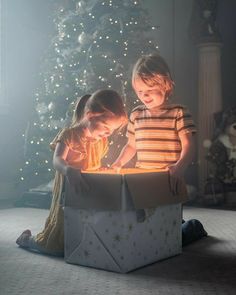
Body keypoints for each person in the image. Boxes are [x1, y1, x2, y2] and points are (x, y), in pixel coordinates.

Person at [16, 89, 127, 256]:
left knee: (84, 230)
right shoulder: (69, 135)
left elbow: (94, 164)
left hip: (87, 190)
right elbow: (57, 160)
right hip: (68, 190)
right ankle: (27, 240)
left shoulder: (101, 141)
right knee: (55, 243)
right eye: (106, 127)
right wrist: (69, 170)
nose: (107, 133)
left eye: (111, 131)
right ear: (90, 116)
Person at [112, 53, 207, 244]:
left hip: (169, 178)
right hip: (143, 178)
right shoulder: (136, 114)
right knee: (146, 225)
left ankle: (193, 227)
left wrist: (179, 167)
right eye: (139, 91)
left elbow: (189, 145)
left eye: (150, 89)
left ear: (166, 85)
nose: (144, 95)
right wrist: (118, 163)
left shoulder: (179, 112)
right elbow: (131, 145)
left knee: (171, 233)